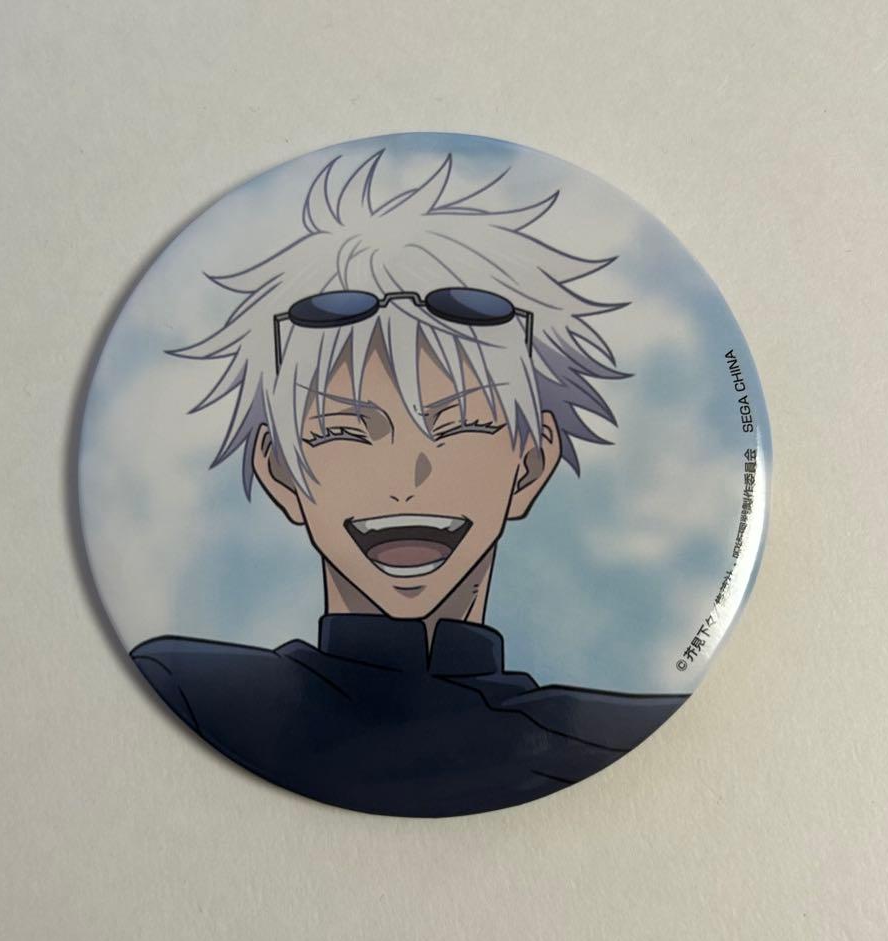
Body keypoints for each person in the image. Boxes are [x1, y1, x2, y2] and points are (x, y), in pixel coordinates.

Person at [131, 151, 687, 816]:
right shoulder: (193, 694)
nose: (407, 478)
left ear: (530, 465)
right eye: (345, 429)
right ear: (279, 471)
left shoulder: (618, 737)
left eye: (462, 424)